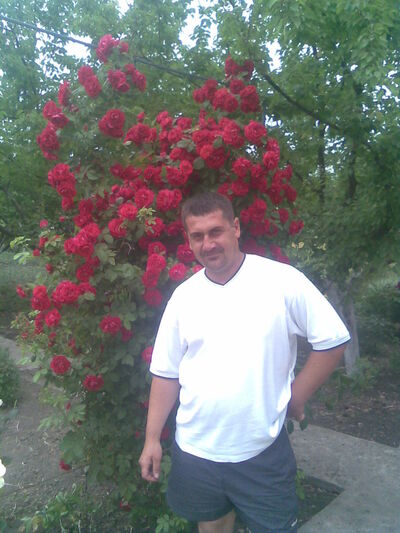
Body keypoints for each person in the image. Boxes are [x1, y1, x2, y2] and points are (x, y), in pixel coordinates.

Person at [139, 191, 350, 533]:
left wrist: (295, 397)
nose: (208, 244)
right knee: (212, 526)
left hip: (261, 451)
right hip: (196, 451)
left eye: (216, 231)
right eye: (198, 236)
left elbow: (332, 339)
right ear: (189, 241)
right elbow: (166, 373)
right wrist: (152, 438)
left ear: (235, 228)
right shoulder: (183, 298)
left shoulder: (281, 281)